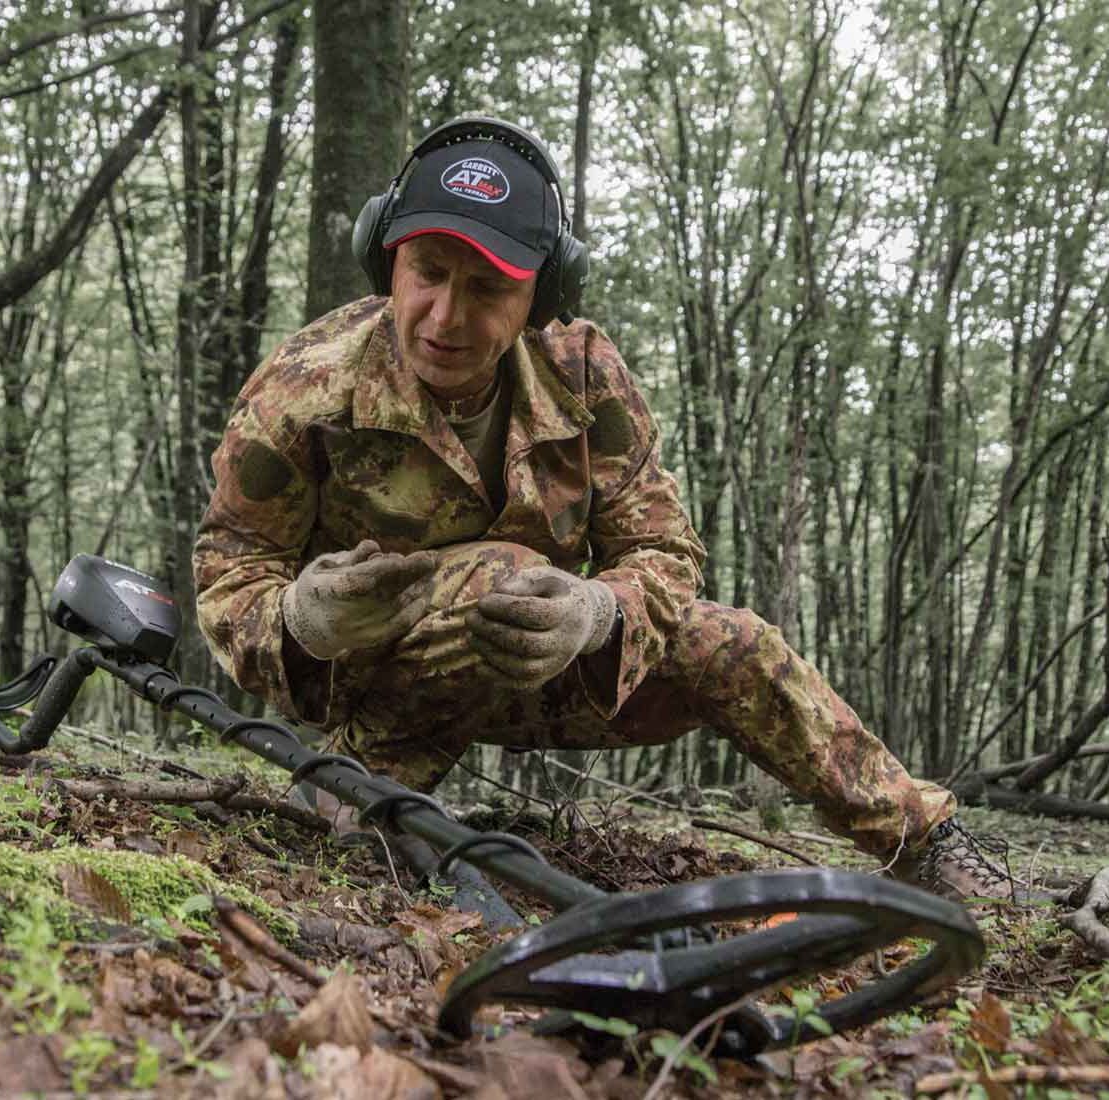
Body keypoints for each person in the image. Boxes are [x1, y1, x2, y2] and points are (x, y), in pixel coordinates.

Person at [193, 115, 1030, 902]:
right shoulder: (307, 389)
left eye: (488, 289)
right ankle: (359, 794)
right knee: (500, 576)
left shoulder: (583, 375)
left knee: (731, 642)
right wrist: (301, 620)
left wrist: (597, 611)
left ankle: (923, 842)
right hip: (380, 688)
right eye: (428, 274)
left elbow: (665, 553)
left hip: (557, 672)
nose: (446, 317)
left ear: (540, 298)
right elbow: (230, 573)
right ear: (388, 263)